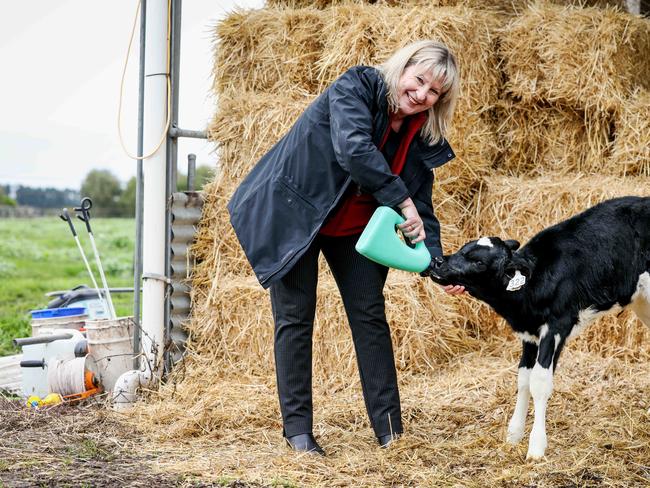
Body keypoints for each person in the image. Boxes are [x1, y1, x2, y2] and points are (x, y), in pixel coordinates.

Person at [227, 40, 465, 455]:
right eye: (420, 79)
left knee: (370, 318)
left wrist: (440, 267)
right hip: (296, 215)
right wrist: (400, 198)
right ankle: (299, 434)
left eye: (434, 92)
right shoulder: (356, 85)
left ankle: (391, 432)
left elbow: (421, 209)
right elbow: (354, 149)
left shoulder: (418, 131)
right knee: (295, 318)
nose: (422, 94)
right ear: (403, 67)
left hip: (354, 231)